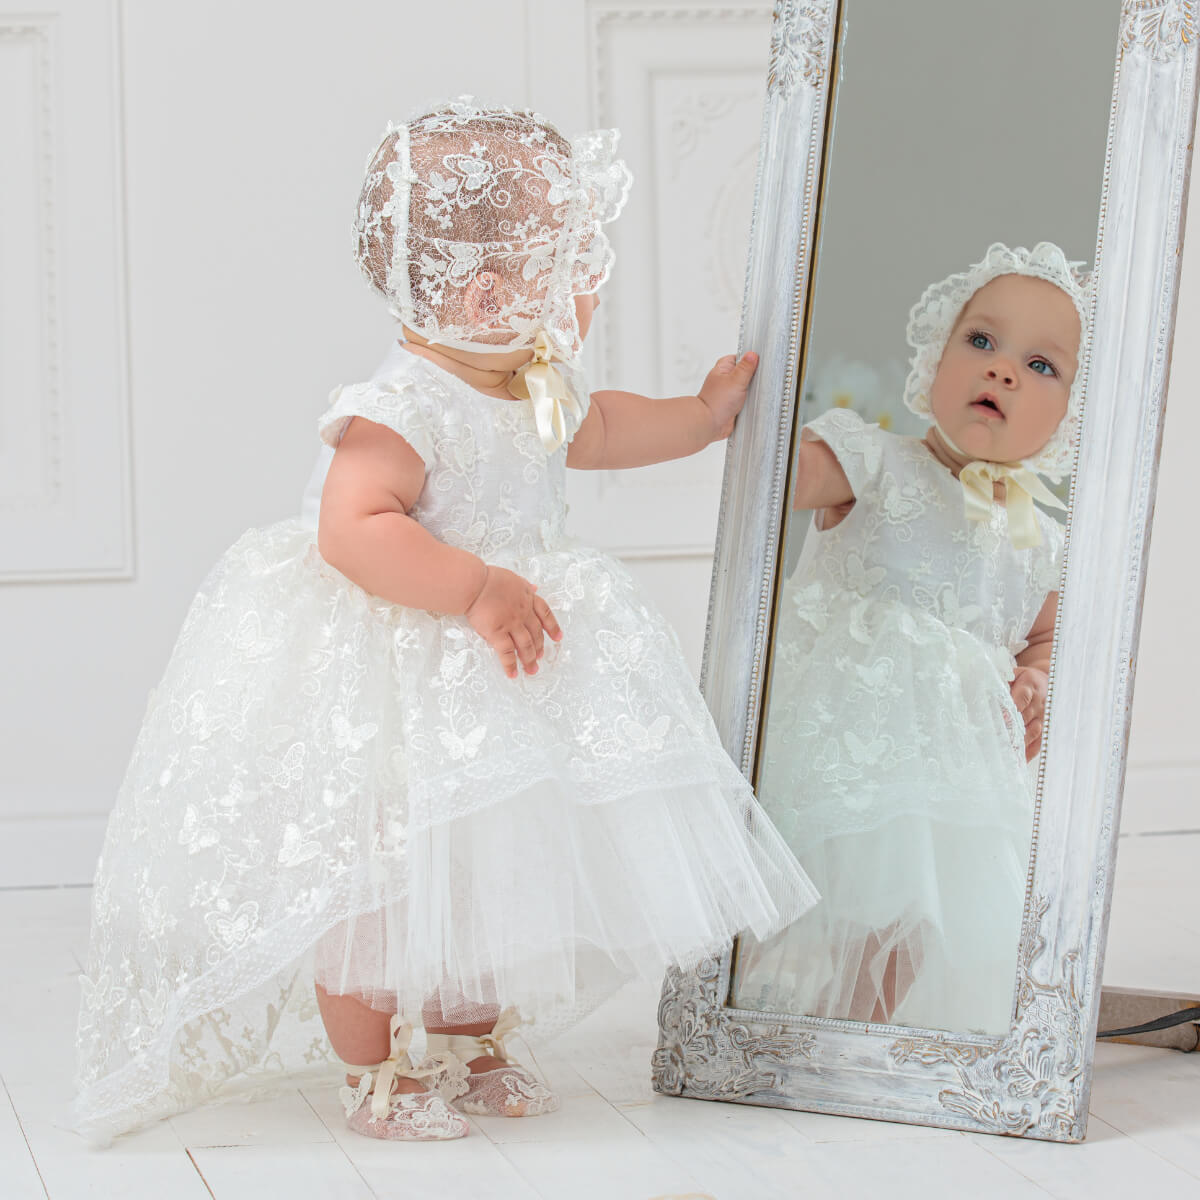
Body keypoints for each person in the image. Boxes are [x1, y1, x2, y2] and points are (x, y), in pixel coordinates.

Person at [74, 99, 817, 1144]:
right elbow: (353, 529)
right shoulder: (404, 405)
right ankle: (373, 1072)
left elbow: (599, 428)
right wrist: (472, 587)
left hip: (495, 672)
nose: (588, 298)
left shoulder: (532, 383)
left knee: (487, 868)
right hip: (393, 667)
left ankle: (473, 1038)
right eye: (575, 277)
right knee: (379, 884)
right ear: (487, 292)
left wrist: (699, 419)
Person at [733, 242, 1086, 1036]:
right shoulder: (876, 461)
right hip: (842, 742)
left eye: (1040, 365)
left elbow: (1048, 636)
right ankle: (749, 1014)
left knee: (911, 917)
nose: (1000, 372)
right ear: (936, 355)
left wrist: (1037, 677)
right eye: (982, 342)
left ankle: (858, 1038)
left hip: (953, 774)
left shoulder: (1044, 540)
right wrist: (757, 418)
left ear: (1071, 414)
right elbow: (772, 480)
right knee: (803, 896)